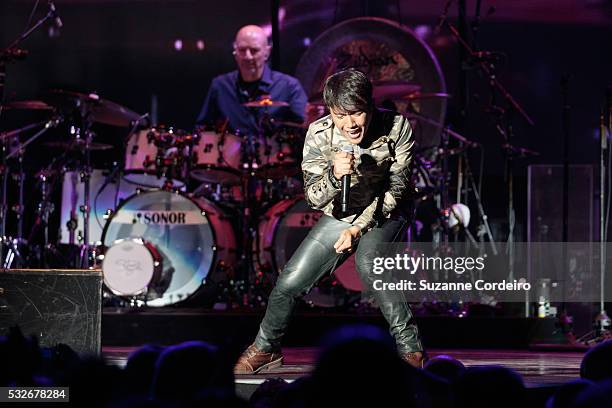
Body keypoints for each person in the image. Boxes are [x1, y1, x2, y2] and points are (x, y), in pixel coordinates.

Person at [234, 69, 425, 374]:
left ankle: (410, 350)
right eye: (341, 115)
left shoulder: (396, 126)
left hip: (386, 211)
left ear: (370, 107)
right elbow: (313, 197)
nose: (350, 124)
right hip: (341, 213)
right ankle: (265, 348)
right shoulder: (319, 133)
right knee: (288, 282)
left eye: (357, 113)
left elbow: (397, 188)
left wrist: (358, 228)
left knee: (369, 263)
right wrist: (335, 176)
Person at [196, 25, 308, 135]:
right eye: (242, 50)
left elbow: (304, 128)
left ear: (267, 53)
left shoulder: (289, 86)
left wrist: (310, 120)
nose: (247, 56)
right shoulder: (220, 86)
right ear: (235, 53)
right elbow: (202, 130)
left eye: (254, 50)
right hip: (231, 152)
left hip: (276, 152)